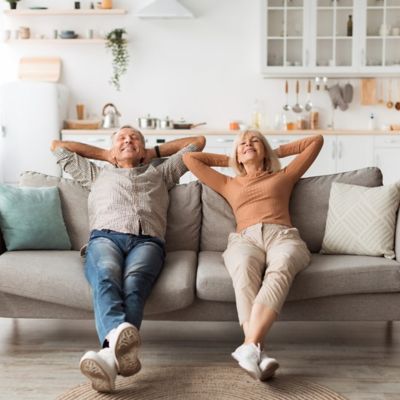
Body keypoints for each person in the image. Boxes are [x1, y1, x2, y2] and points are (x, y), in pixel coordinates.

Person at [51, 126, 205, 393]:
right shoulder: (96, 173)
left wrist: (153, 152)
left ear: (144, 148)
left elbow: (198, 141)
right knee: (107, 274)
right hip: (105, 239)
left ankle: (108, 359)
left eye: (134, 138)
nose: (128, 140)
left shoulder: (161, 173)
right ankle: (114, 354)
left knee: (135, 284)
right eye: (121, 138)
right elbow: (57, 146)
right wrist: (105, 153)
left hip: (148, 242)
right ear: (112, 148)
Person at [183, 132, 323, 381]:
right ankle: (257, 350)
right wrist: (232, 158)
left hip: (282, 236)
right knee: (244, 268)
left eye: (254, 140)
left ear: (264, 148)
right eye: (242, 143)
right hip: (245, 240)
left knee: (284, 263)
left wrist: (273, 152)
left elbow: (316, 141)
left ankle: (250, 346)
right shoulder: (228, 183)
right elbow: (190, 158)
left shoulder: (285, 175)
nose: (247, 143)